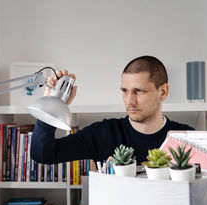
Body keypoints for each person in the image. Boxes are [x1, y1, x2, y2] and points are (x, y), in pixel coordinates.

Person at [31, 55, 194, 165]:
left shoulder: (188, 138)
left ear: (163, 92)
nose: (130, 101)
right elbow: (43, 155)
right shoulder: (103, 133)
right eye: (125, 91)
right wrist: (52, 102)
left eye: (139, 91)